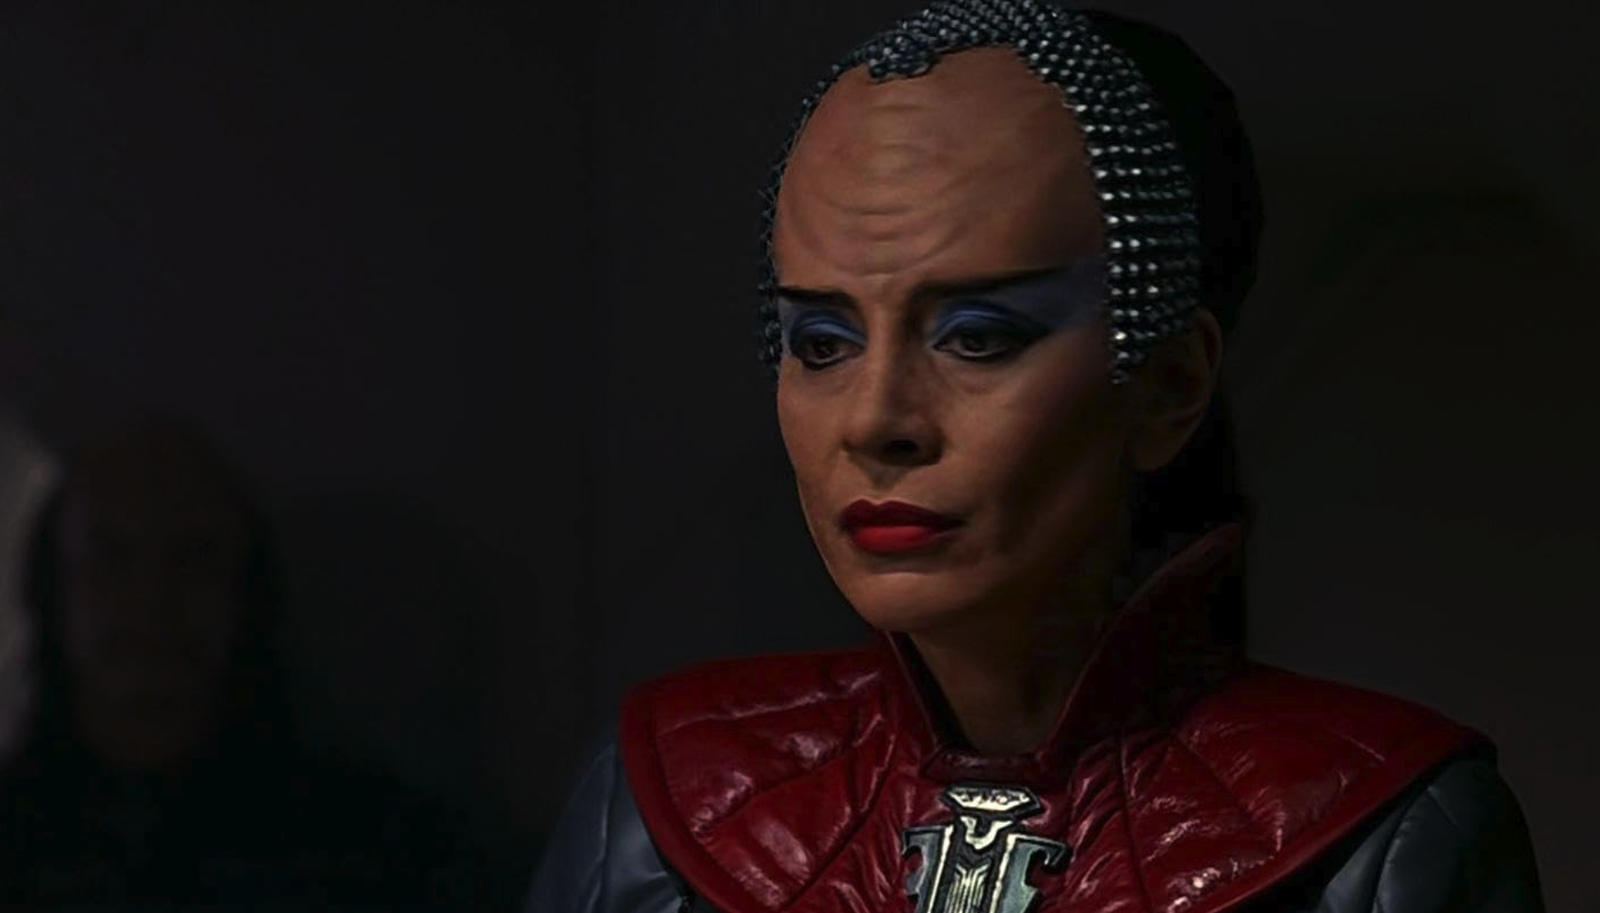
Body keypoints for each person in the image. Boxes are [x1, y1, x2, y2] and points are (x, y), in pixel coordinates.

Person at [528, 2, 1545, 911]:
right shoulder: (664, 794)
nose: (877, 420)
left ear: (1169, 383)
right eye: (823, 342)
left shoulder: (1376, 832)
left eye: (978, 336)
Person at [0, 419, 472, 911]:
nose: (152, 604)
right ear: (55, 591)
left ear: (247, 595)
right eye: (112, 560)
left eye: (194, 559)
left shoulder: (379, 849)